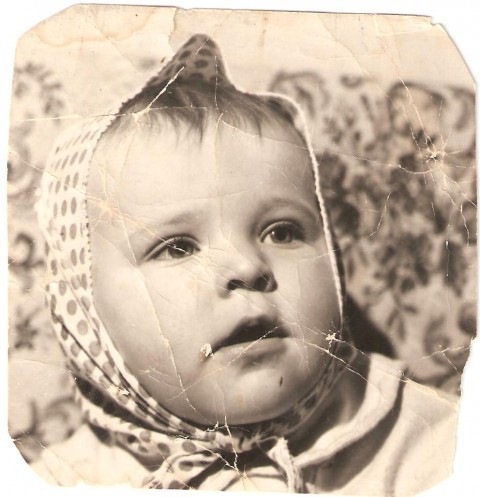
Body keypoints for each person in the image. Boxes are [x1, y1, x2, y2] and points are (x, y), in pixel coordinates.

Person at [32, 34, 457, 495]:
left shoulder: (434, 444)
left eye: (282, 232)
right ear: (86, 319)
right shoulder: (60, 481)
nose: (247, 267)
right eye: (178, 248)